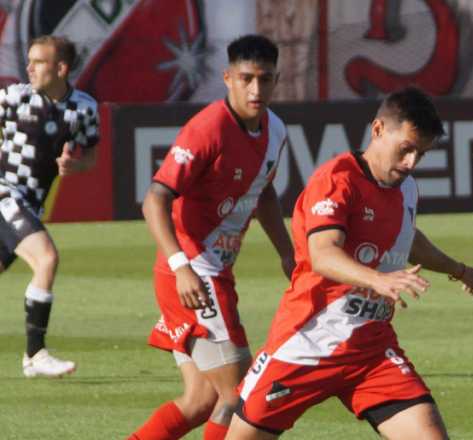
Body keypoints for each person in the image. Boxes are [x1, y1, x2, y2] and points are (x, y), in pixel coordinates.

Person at [226, 87, 473, 440]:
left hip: (371, 351)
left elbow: (408, 239)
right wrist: (378, 281)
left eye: (421, 154)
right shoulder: (336, 180)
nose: (412, 162)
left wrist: (460, 270)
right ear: (378, 130)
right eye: (407, 149)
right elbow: (323, 253)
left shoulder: (406, 188)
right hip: (306, 343)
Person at [129, 35, 294, 440]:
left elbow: (265, 191)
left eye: (265, 79)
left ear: (277, 80)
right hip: (192, 275)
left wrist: (288, 255)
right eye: (246, 78)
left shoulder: (276, 131)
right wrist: (180, 266)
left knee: (203, 401)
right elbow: (154, 200)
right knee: (242, 395)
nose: (256, 89)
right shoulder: (207, 129)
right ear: (227, 78)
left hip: (216, 273)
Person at [0, 35, 99, 378]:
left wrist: (75, 166)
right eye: (29, 60)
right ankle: (35, 353)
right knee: (47, 258)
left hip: (31, 202)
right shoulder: (15, 97)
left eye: (38, 61)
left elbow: (91, 156)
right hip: (5, 193)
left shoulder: (84, 108)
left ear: (61, 68)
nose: (29, 67)